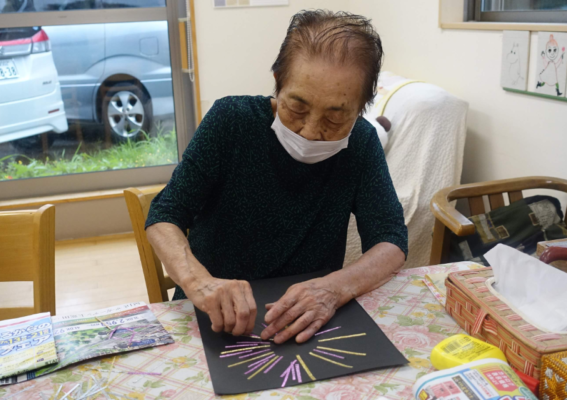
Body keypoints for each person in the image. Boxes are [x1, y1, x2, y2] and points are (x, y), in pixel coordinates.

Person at [145, 10, 408, 345]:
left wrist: (333, 288)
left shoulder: (361, 142)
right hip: (214, 316)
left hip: (308, 319)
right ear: (278, 81)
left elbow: (391, 241)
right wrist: (200, 283)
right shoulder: (231, 122)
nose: (312, 131)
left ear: (360, 108)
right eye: (296, 108)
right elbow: (165, 213)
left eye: (335, 118)